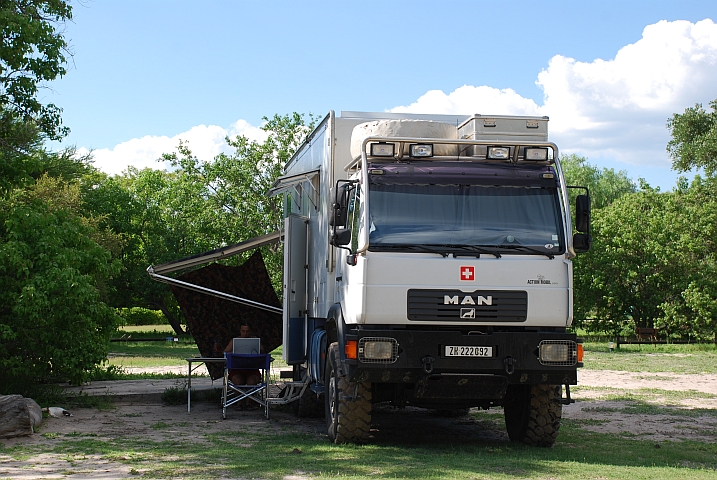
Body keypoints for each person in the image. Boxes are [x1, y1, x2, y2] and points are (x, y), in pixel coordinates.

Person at [223, 324, 263, 408]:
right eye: (243, 331)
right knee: (237, 381)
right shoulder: (234, 341)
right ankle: (239, 401)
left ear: (251, 331)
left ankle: (248, 402)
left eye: (247, 331)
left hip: (252, 370)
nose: (245, 333)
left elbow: (263, 353)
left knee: (252, 382)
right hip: (237, 370)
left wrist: (257, 345)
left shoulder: (255, 341)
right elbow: (225, 353)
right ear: (240, 331)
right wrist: (233, 352)